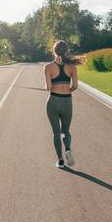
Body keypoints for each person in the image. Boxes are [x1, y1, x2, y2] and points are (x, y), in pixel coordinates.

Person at [43, 40, 82, 169]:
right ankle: (68, 149)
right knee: (66, 131)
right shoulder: (72, 67)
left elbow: (48, 87)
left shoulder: (48, 67)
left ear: (53, 51)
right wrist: (67, 91)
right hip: (67, 101)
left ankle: (60, 160)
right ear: (66, 51)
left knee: (56, 133)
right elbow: (75, 86)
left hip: (53, 101)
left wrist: (51, 86)